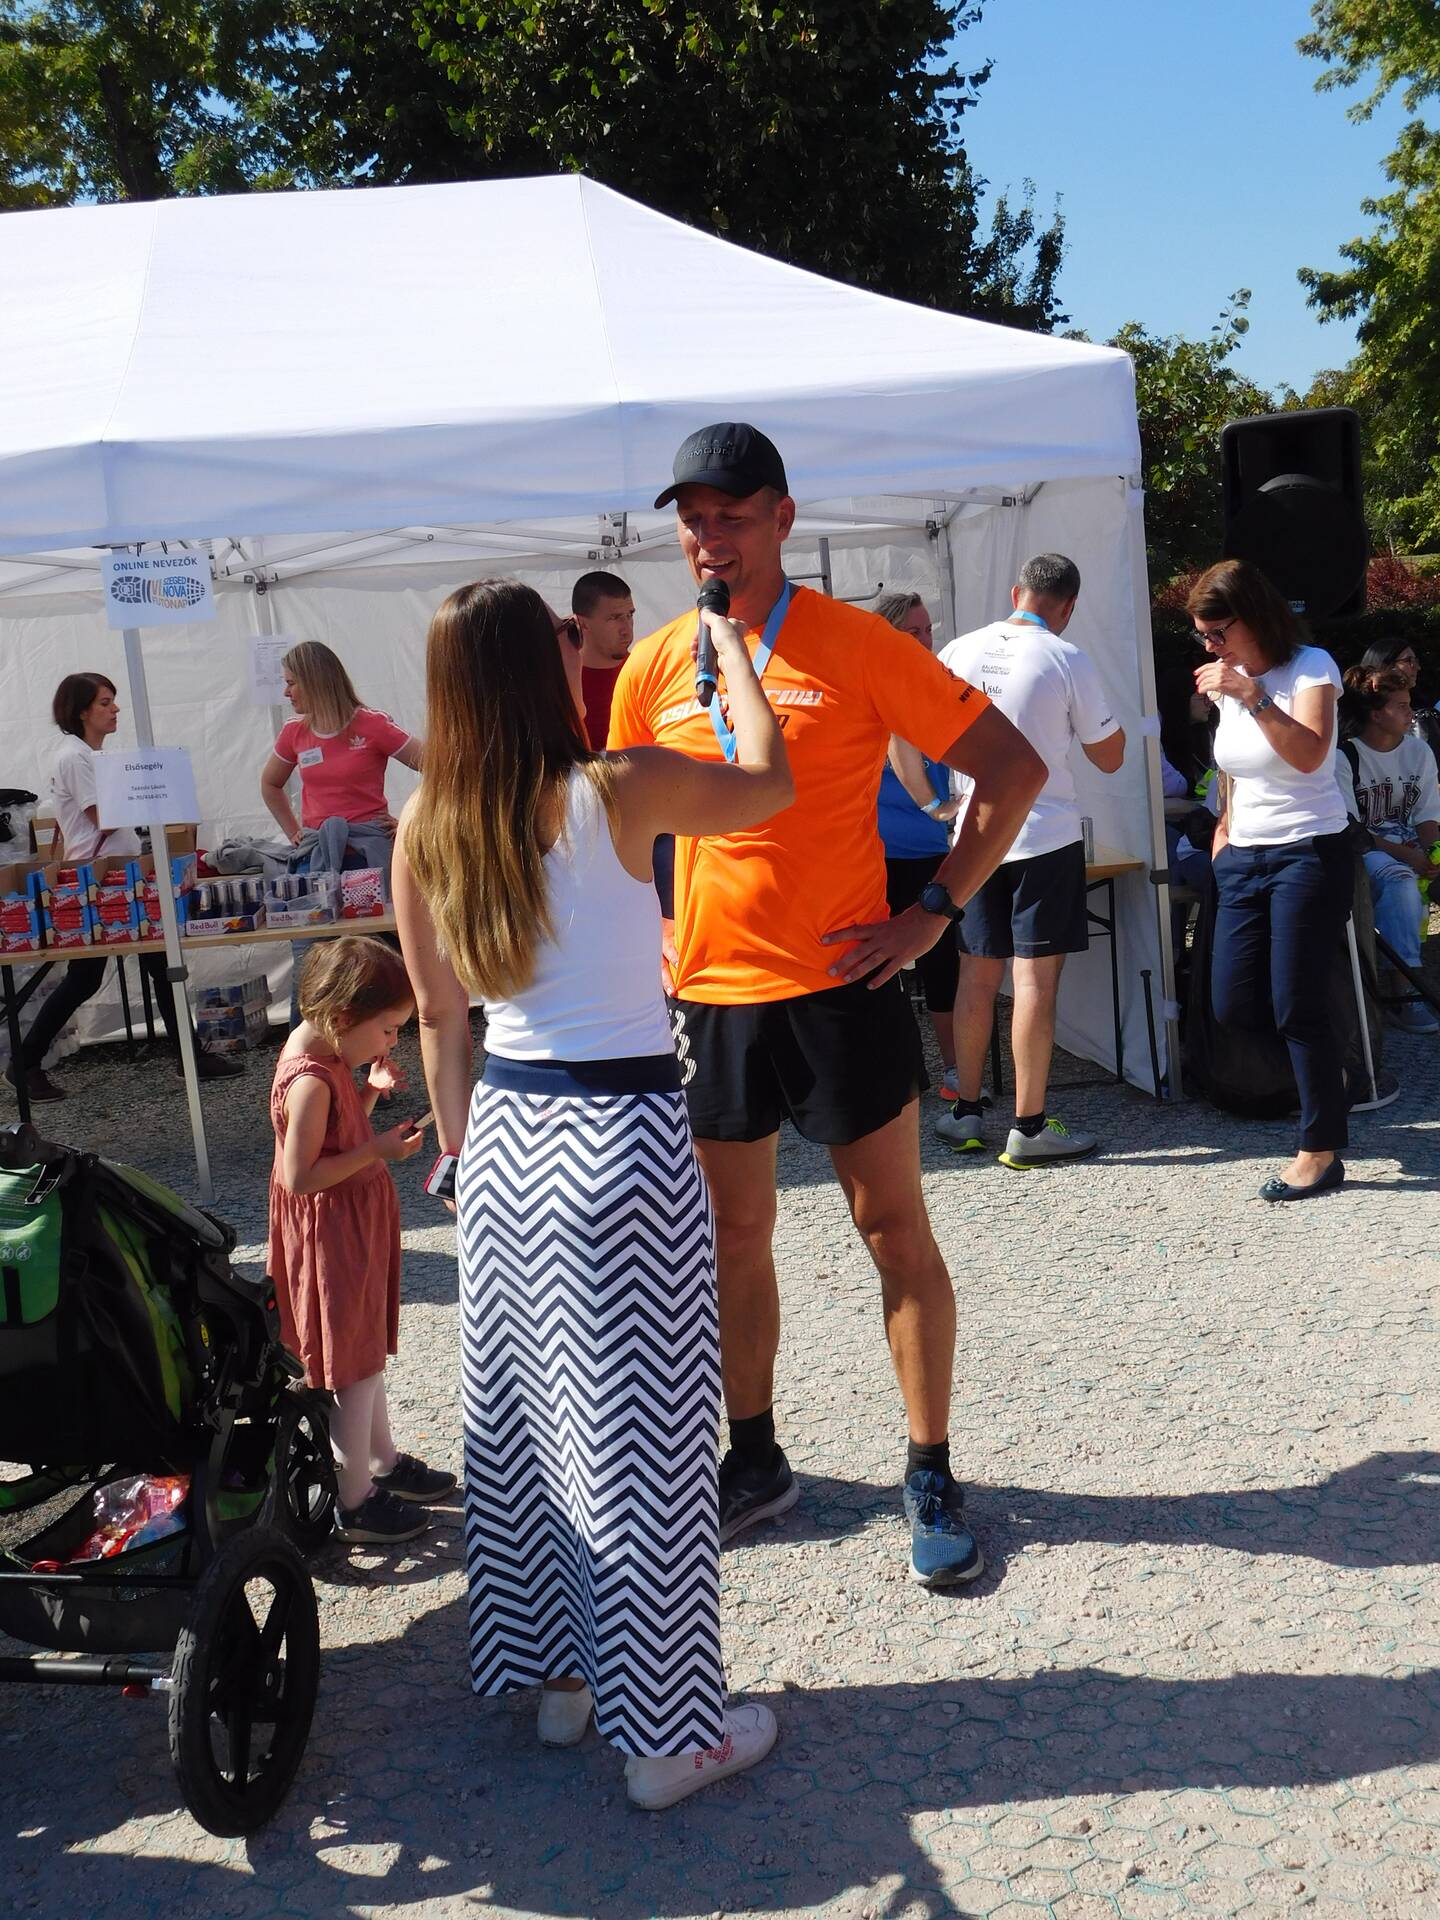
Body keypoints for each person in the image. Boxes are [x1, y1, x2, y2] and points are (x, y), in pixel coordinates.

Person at [607, 422, 1045, 1589]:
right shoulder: (653, 666)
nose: (711, 538)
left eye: (733, 516)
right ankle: (754, 1459)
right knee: (732, 1238)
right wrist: (648, 931)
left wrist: (934, 911)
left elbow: (1013, 770)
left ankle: (930, 1466)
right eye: (694, 520)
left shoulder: (854, 644)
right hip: (710, 996)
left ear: (783, 519)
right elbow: (623, 827)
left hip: (843, 987)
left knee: (893, 1231)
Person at [393, 577, 793, 1808]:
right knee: (651, 1441)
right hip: (616, 1132)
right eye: (567, 635)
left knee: (532, 1424)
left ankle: (562, 1680)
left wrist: (458, 1153)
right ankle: (670, 1738)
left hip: (505, 1143)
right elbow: (771, 779)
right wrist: (731, 649)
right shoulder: (618, 786)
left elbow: (438, 1018)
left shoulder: (426, 822)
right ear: (544, 663)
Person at [935, 555, 1126, 1167]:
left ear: (1016, 592)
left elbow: (918, 735)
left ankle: (965, 1112)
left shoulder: (958, 650)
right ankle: (1028, 1125)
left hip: (973, 833)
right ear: (1068, 606)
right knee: (1034, 982)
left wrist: (935, 801)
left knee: (975, 975)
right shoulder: (1067, 657)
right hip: (1044, 834)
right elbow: (1110, 757)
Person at [268, 934, 456, 1545]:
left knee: (364, 1352)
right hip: (334, 1236)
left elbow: (332, 1137)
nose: (393, 1041)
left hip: (348, 1227)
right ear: (345, 1016)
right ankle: (355, 1501)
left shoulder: (326, 1054)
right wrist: (378, 1150)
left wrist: (370, 1091)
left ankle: (381, 1462)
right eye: (389, 1029)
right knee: (353, 1361)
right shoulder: (312, 1079)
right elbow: (299, 1176)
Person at [1189, 559, 1351, 1202]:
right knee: (1232, 1003)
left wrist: (1252, 695)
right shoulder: (1228, 682)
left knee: (1296, 1005)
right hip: (1243, 856)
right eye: (1202, 635)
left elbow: (1310, 754)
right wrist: (1224, 827)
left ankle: (1320, 1150)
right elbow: (1234, 765)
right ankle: (1325, 1078)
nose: (1210, 646)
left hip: (1308, 851)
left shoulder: (1311, 667)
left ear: (1254, 617)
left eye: (1218, 632)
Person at [3, 671, 242, 1105]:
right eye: (104, 702)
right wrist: (154, 791)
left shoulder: (88, 757)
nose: (114, 710)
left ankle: (189, 1056)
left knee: (156, 964)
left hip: (114, 873)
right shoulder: (76, 758)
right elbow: (105, 818)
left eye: (113, 701)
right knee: (89, 978)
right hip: (98, 879)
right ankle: (26, 1063)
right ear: (82, 712)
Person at [873, 592, 962, 1096]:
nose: (925, 640)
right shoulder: (880, 685)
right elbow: (899, 749)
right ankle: (900, 1073)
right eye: (913, 631)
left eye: (928, 630)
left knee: (942, 961)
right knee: (884, 966)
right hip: (881, 853)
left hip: (931, 853)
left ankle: (952, 1070)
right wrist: (937, 807)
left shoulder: (933, 685)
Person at [259, 640, 424, 874]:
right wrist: (293, 832)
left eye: (291, 683)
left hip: (368, 852)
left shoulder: (372, 724)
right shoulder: (293, 732)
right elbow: (270, 784)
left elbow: (439, 767)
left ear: (314, 682)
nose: (286, 693)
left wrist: (412, 821)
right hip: (318, 853)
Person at [1338, 666, 1440, 1036]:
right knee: (1398, 881)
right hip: (1365, 849)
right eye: (1401, 706)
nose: (1411, 713)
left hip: (1408, 843)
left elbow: (1426, 816)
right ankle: (1404, 989)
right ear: (1376, 714)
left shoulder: (1419, 751)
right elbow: (1351, 829)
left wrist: (1433, 853)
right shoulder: (1345, 757)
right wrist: (1409, 857)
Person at [570, 571, 636, 752]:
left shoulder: (646, 670)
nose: (626, 629)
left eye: (629, 615)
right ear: (583, 623)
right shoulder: (563, 682)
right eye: (614, 618)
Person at [1358, 638, 1440, 771]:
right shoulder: (1351, 745)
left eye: (1416, 661)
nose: (1417, 667)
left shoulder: (1423, 708)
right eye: (1409, 661)